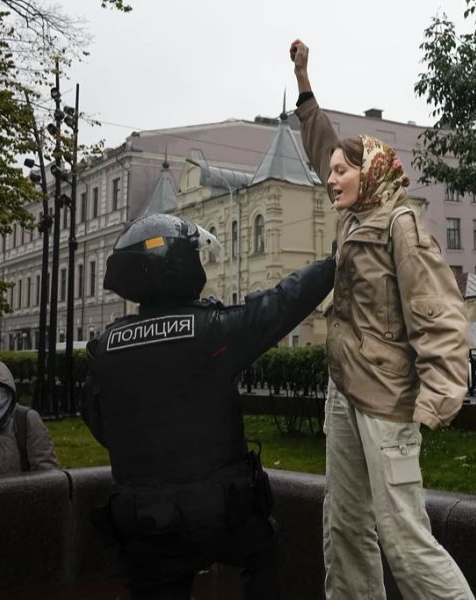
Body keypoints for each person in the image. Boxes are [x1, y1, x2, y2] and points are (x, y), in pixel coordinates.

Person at [291, 40, 475, 600]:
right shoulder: (354, 216)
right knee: (345, 527)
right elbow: (324, 142)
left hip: (388, 398)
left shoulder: (399, 223)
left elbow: (440, 312)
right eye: (330, 172)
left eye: (344, 171)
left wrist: (437, 397)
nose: (332, 178)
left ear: (369, 171)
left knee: (403, 537)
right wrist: (303, 82)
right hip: (343, 391)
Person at [82, 213, 334, 600]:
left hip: (143, 521)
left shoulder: (105, 348)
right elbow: (282, 303)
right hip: (221, 513)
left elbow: (99, 423)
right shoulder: (209, 331)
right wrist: (334, 264)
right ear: (178, 264)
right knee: (261, 555)